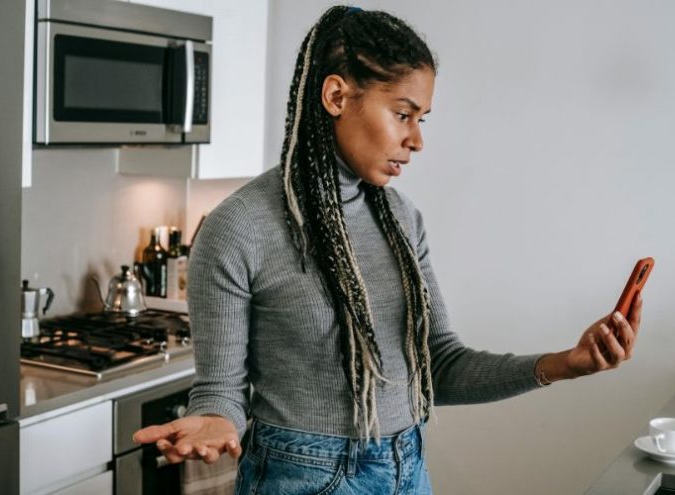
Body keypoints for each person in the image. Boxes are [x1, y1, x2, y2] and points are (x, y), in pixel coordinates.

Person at [133, 6, 642, 494]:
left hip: (407, 468)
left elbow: (438, 365)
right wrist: (215, 421)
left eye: (422, 118)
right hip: (301, 477)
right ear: (336, 96)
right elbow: (220, 389)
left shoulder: (401, 219)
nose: (416, 140)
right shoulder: (238, 228)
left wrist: (565, 364)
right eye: (403, 114)